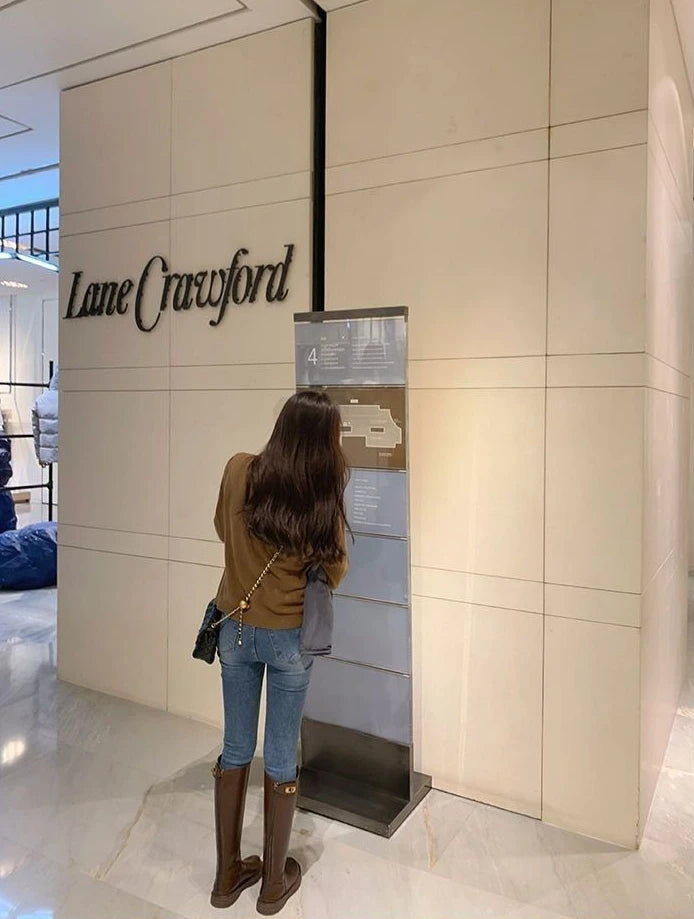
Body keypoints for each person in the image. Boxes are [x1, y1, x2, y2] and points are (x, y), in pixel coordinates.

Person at [210, 390, 349, 914]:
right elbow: (335, 570)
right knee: (282, 751)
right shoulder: (320, 493)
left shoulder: (237, 469)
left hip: (235, 627)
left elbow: (222, 529)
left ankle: (226, 876)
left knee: (235, 746)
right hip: (289, 637)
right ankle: (272, 885)